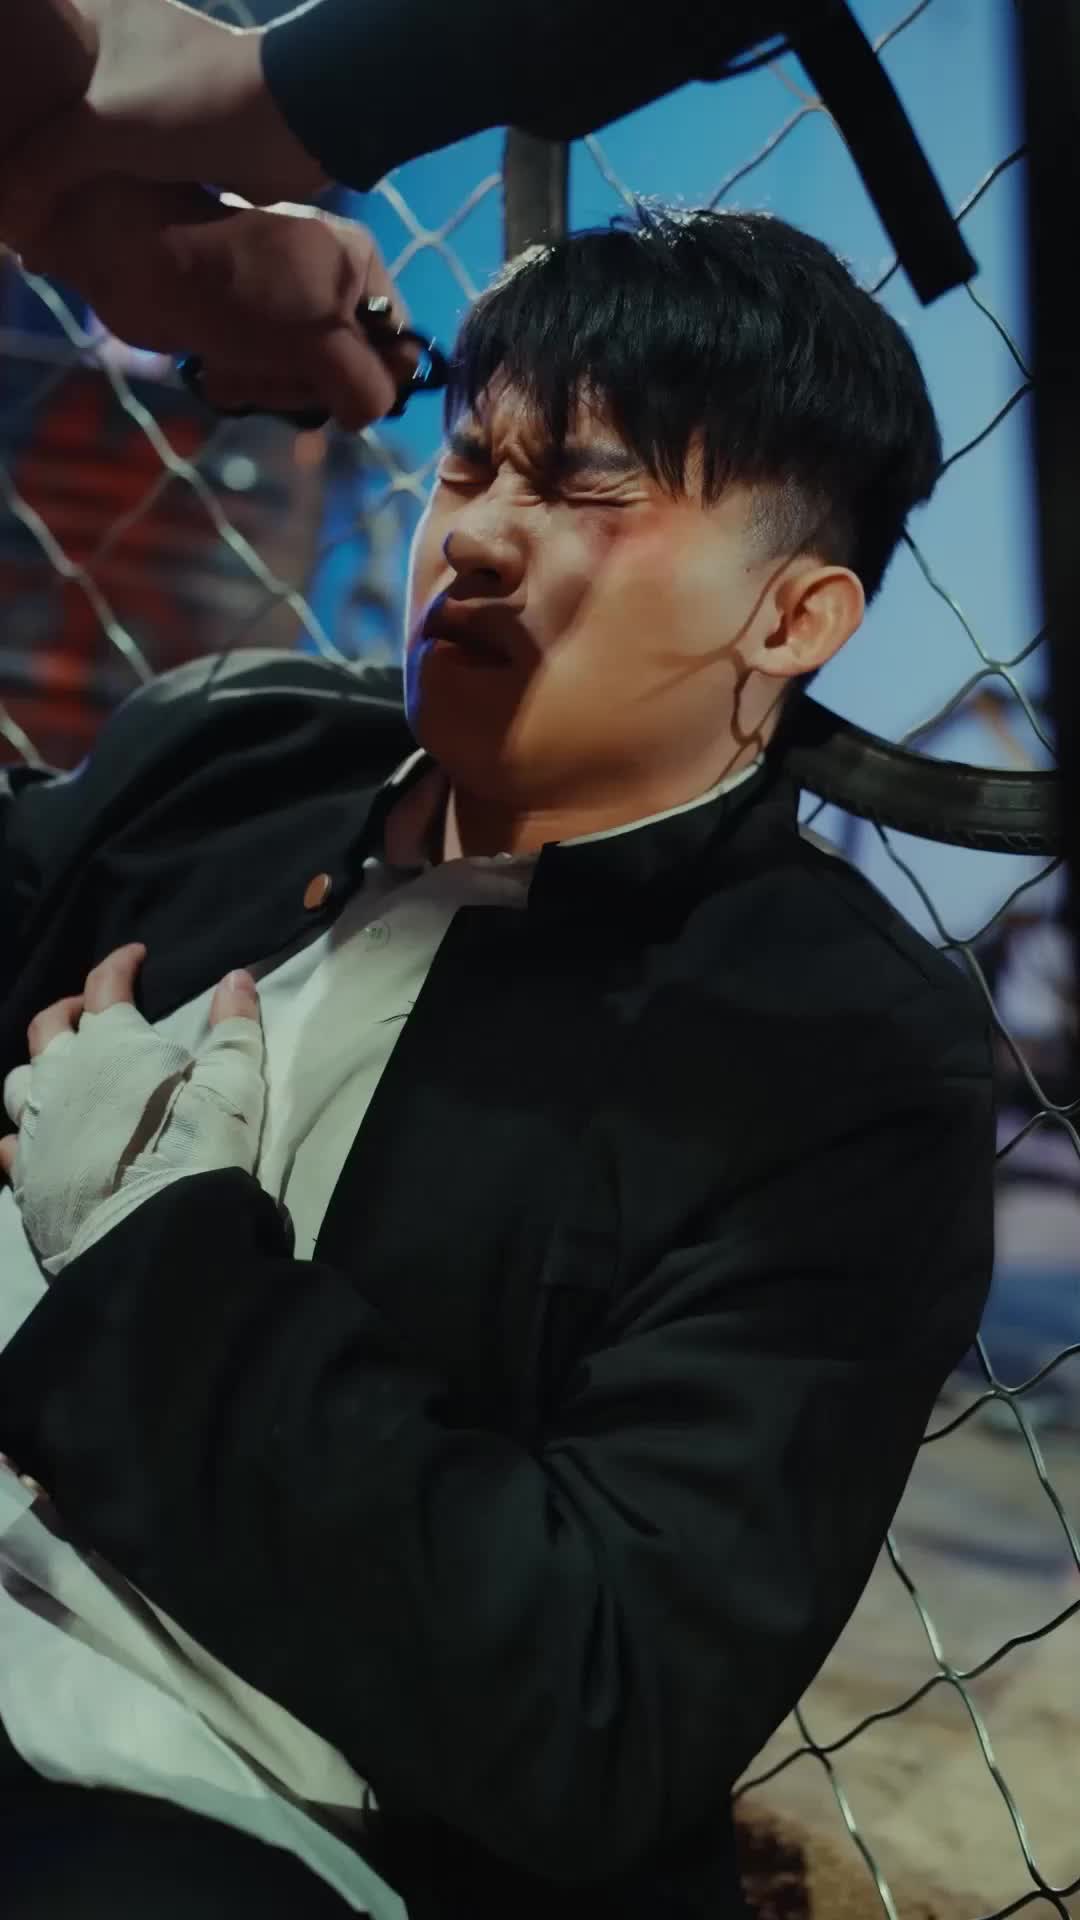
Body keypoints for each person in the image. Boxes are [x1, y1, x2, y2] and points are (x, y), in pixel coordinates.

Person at [0, 202, 995, 1918]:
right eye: (468, 466)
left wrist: (149, 1243)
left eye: (591, 491)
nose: (472, 536)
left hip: (225, 1825)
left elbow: (594, 1706)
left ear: (792, 618)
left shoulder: (836, 1056)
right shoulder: (235, 758)